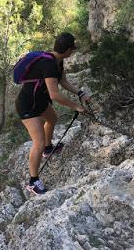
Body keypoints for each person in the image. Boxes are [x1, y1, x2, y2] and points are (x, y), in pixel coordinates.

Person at [15, 32, 90, 195]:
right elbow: (54, 94)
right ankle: (33, 181)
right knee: (38, 142)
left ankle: (48, 149)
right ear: (68, 50)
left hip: (39, 101)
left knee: (52, 118)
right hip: (27, 105)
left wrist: (80, 92)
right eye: (73, 49)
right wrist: (76, 107)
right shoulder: (48, 64)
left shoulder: (58, 61)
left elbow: (63, 81)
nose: (73, 52)